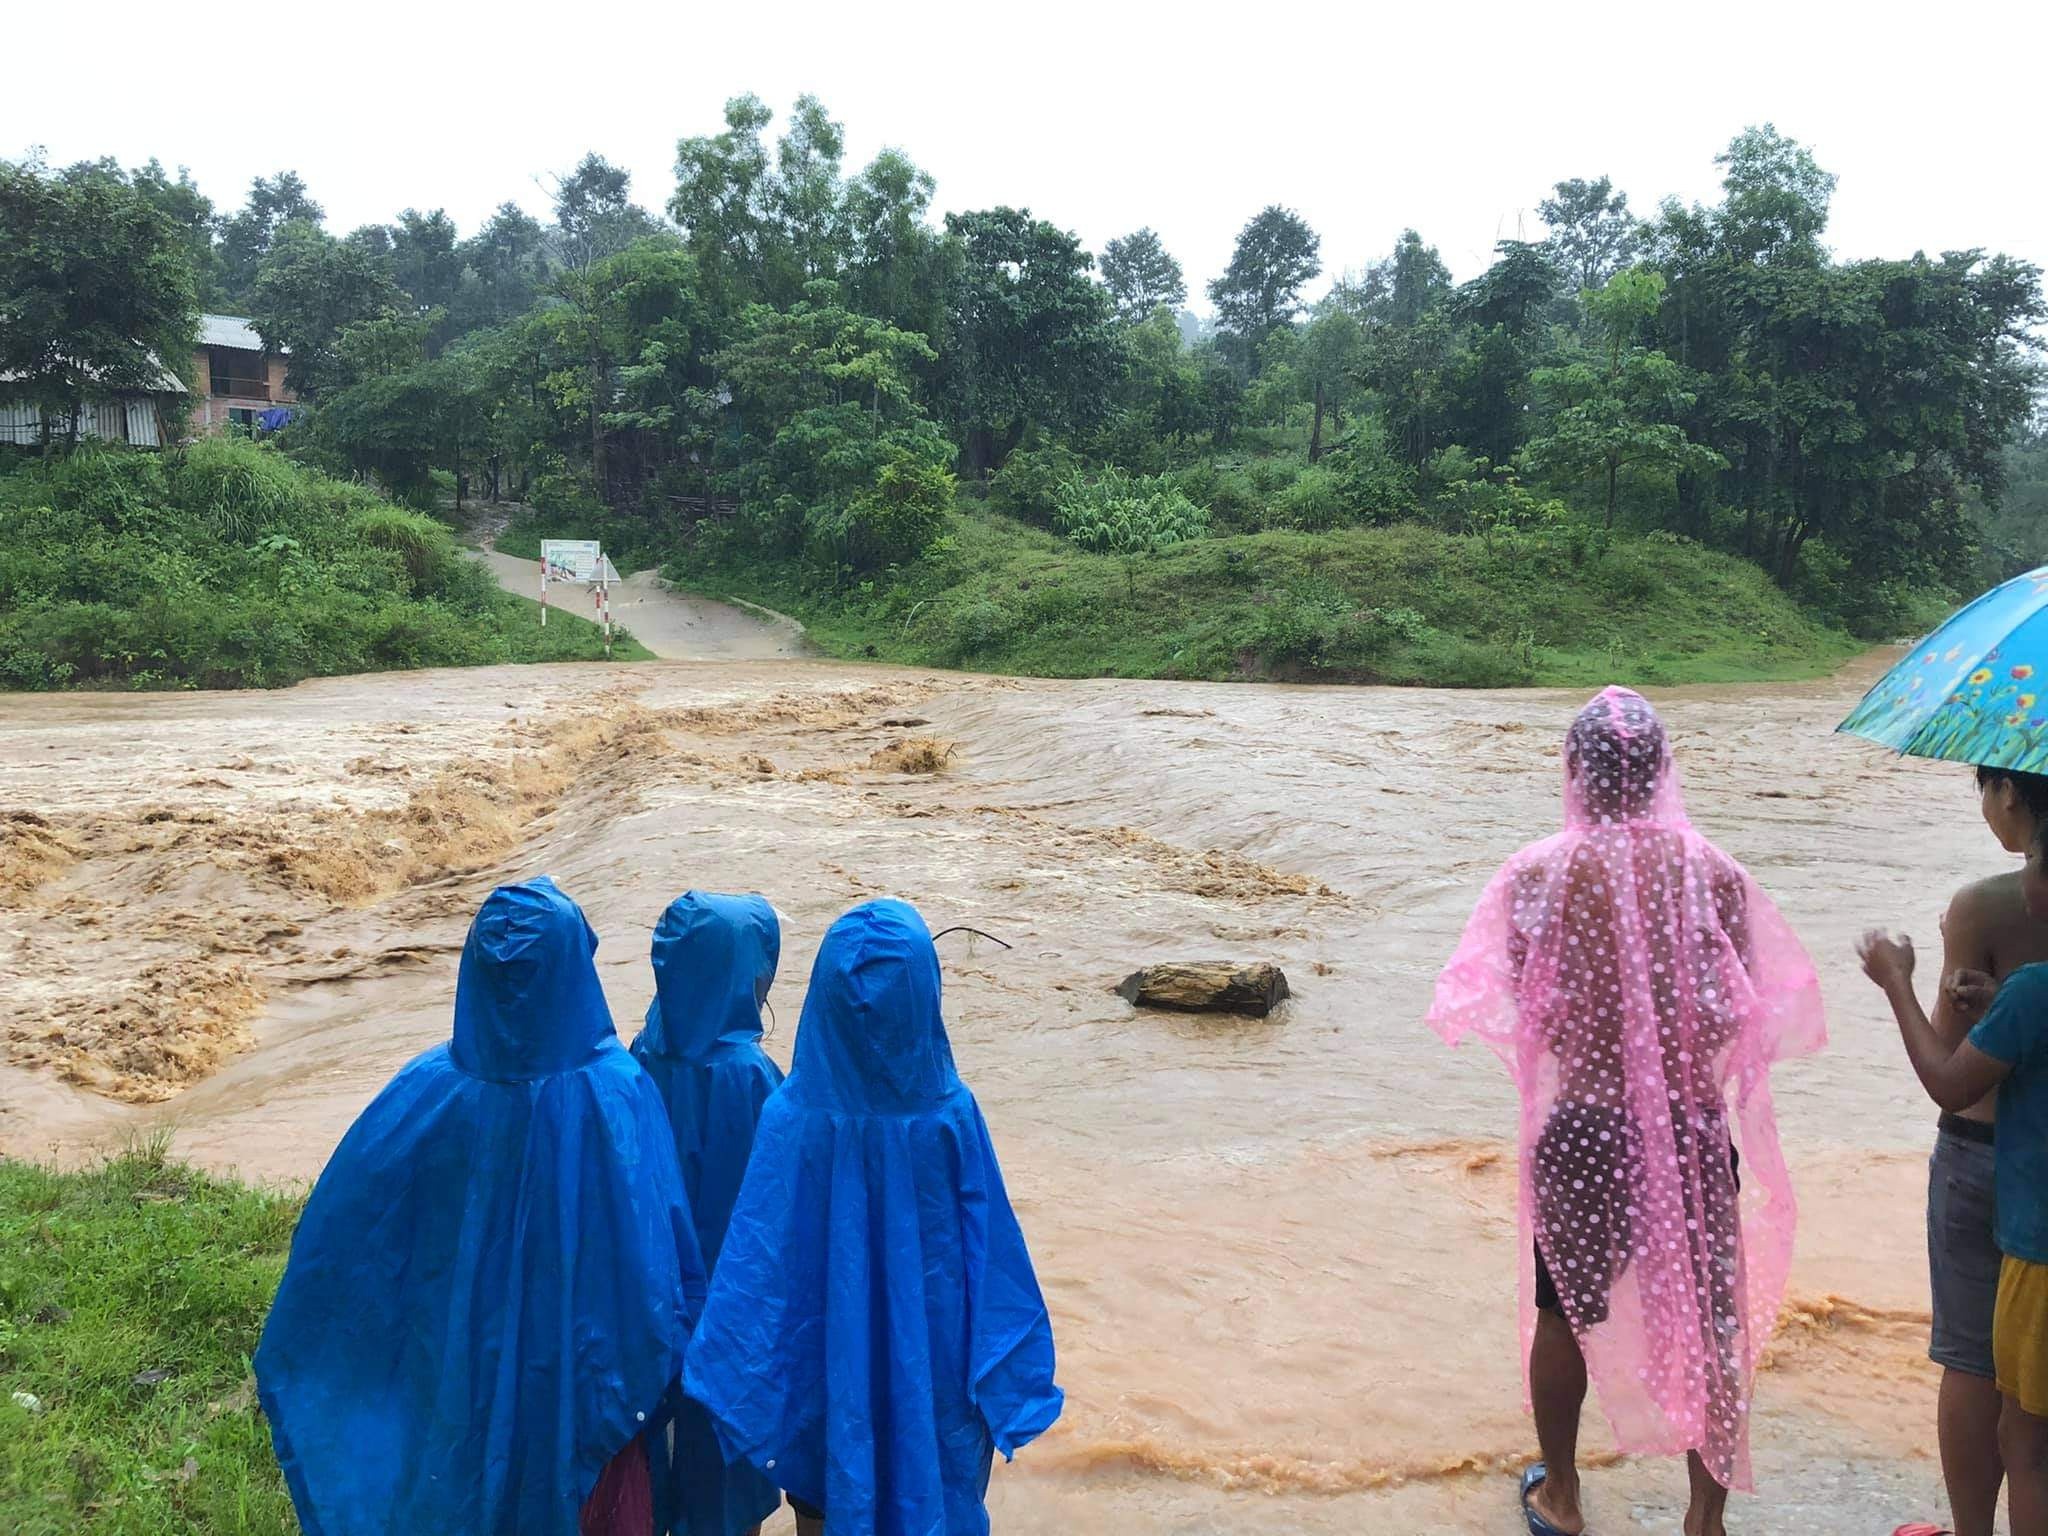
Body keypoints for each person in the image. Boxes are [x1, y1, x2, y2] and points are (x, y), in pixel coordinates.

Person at [1428, 687, 1825, 1536]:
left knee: (1563, 1311)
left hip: (1581, 1127)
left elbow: (1506, 1001)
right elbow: (1743, 1008)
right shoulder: (1711, 873)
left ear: (1575, 772)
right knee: (1713, 1317)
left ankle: (1564, 1498)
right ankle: (1703, 1517)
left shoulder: (1537, 871)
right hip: (1686, 1128)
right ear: (1659, 772)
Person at [256, 877, 706, 1536]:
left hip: (454, 1378)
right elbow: (655, 1270)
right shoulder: (617, 1097)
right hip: (581, 1390)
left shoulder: (417, 1095)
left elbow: (343, 1255)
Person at [684, 899, 1064, 1536]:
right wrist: (1011, 1384)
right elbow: (994, 1263)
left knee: (822, 1494)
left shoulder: (790, 1118)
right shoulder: (950, 1115)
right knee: (928, 1485)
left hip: (818, 1373)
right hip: (931, 1372)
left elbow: (756, 1268)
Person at [1861, 812, 2048, 1536]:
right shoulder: (2025, 996)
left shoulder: (1997, 930)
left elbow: (1949, 1076)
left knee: (2000, 1401)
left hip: (2014, 1202)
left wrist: (1897, 981)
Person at [631, 892, 788, 1536]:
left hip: (650, 1302)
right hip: (736, 1314)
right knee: (728, 1473)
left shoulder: (634, 1060)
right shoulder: (754, 1077)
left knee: (646, 1459)